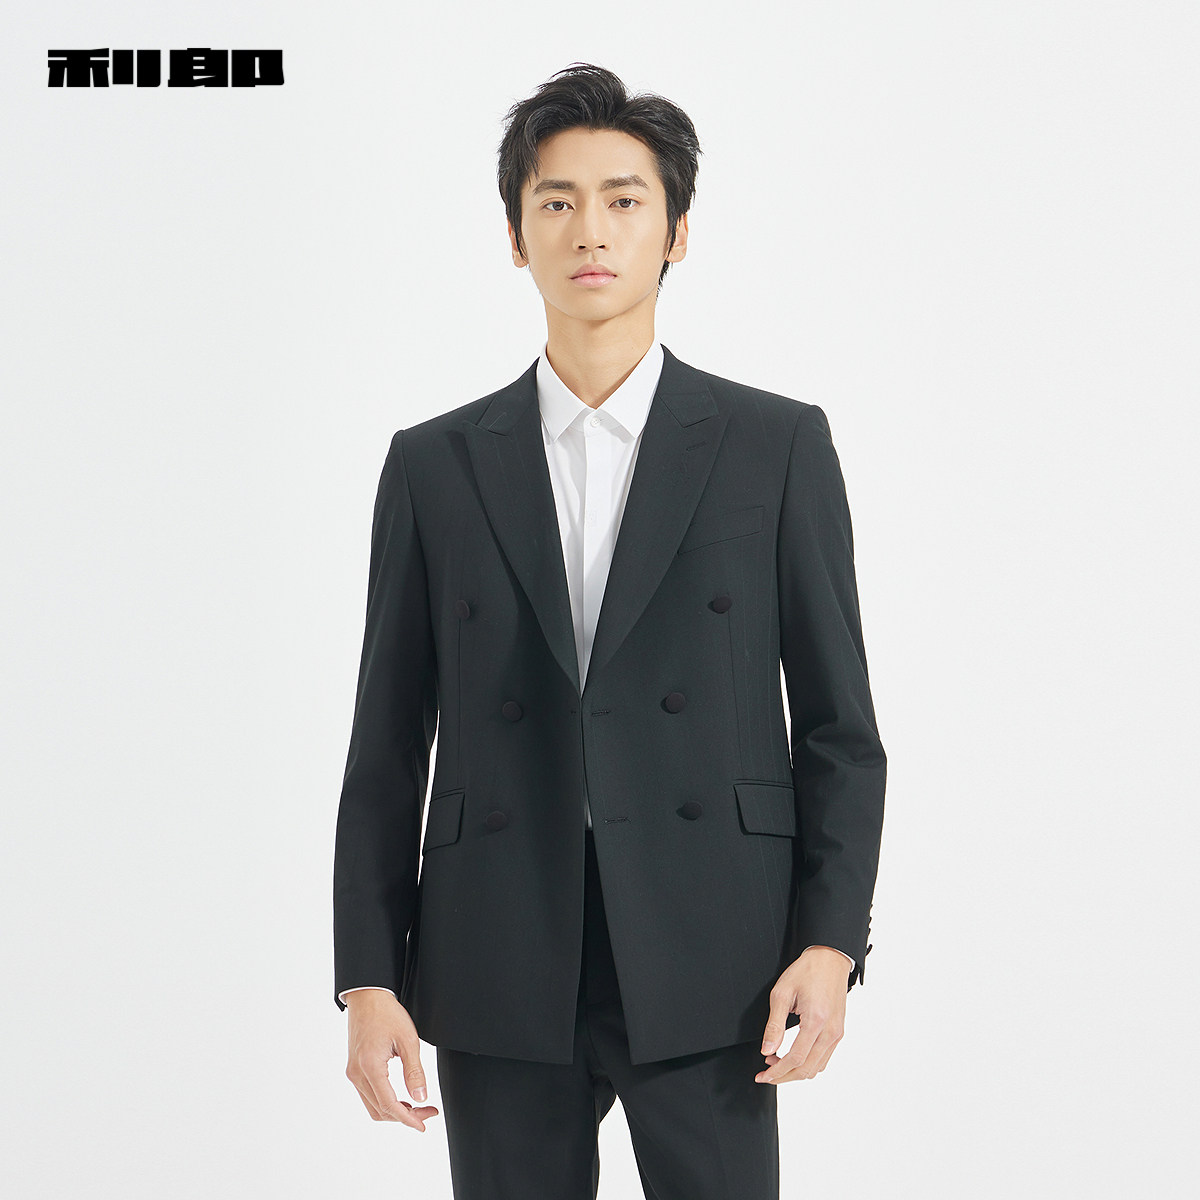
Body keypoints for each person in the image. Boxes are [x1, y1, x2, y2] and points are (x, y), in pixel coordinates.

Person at [333, 62, 886, 1200]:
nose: (590, 229)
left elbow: (840, 726)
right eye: (557, 200)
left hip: (717, 951)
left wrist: (831, 943)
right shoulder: (434, 465)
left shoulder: (775, 446)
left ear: (676, 231)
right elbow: (385, 740)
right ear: (515, 235)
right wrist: (367, 976)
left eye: (625, 200)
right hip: (496, 948)